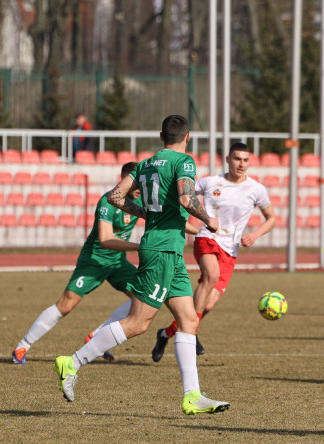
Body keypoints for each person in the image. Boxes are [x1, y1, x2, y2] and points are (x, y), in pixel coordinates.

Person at [54, 115, 230, 416]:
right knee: (139, 323)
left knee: (189, 320)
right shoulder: (184, 162)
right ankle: (73, 363)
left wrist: (147, 214)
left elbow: (115, 196)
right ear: (187, 138)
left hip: (168, 251)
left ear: (162, 136)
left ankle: (192, 396)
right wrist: (208, 220)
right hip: (162, 251)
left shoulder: (145, 164)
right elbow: (187, 199)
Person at [149, 142, 276, 362]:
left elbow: (271, 218)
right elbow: (184, 193)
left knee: (206, 304)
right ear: (227, 159)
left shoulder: (256, 189)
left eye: (245, 160)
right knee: (211, 276)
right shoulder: (211, 182)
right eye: (237, 158)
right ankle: (191, 333)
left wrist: (255, 234)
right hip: (207, 238)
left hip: (231, 250)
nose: (241, 164)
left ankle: (166, 333)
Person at [11, 163, 142, 365]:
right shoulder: (108, 202)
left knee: (142, 297)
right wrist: (139, 246)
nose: (139, 190)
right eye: (134, 185)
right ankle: (22, 346)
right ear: (123, 181)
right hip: (94, 261)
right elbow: (106, 239)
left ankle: (97, 336)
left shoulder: (141, 200)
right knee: (66, 304)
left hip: (118, 262)